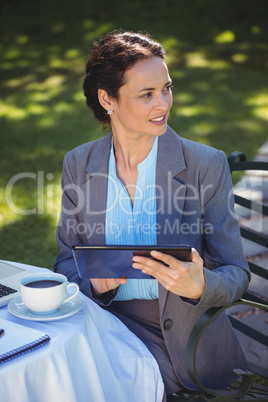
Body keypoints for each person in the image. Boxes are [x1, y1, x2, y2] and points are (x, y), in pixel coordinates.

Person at [54, 30, 250, 399]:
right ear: (107, 99)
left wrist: (202, 285)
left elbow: (236, 273)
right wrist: (95, 284)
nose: (163, 104)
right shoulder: (79, 164)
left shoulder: (204, 165)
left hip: (182, 346)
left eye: (166, 88)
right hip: (105, 325)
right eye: (146, 94)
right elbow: (65, 265)